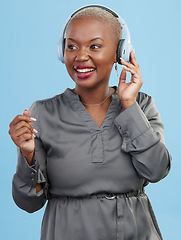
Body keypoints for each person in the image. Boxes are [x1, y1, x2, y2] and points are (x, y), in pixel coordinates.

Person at [9, 5, 171, 240]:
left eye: (94, 46)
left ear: (120, 53)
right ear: (61, 51)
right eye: (71, 46)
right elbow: (28, 203)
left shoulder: (142, 105)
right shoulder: (42, 113)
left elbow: (156, 170)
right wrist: (27, 155)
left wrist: (129, 105)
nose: (80, 56)